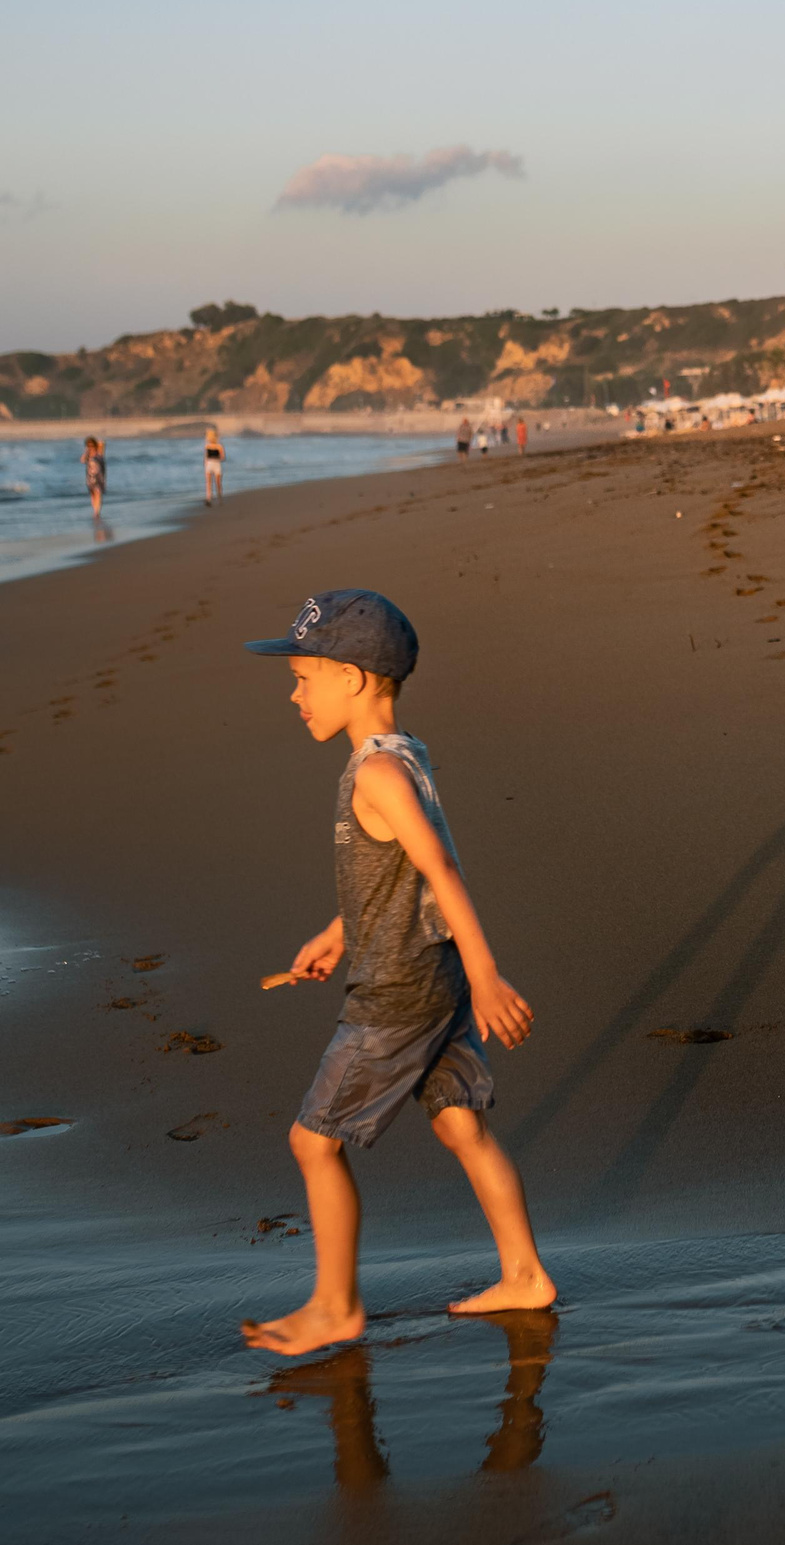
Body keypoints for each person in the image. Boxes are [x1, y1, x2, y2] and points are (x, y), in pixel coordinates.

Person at [240, 590, 554, 1353]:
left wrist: (486, 973)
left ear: (351, 678)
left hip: (400, 990)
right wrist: (339, 929)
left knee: (313, 1141)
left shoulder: (374, 775)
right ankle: (524, 1274)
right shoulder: (402, 754)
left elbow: (443, 869)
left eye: (304, 675)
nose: (294, 691)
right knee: (459, 1122)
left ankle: (335, 1304)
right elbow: (405, 873)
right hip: (429, 974)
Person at [80, 436, 106, 520]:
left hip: (99, 476)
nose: (90, 446)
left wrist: (97, 444)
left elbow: (102, 443)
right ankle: (95, 509)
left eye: (91, 445)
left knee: (98, 493)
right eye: (88, 445)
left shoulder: (99, 452)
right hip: (90, 476)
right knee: (92, 494)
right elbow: (82, 461)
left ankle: (97, 512)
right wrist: (86, 451)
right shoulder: (88, 454)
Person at [203, 425, 224, 506]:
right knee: (208, 483)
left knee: (217, 483)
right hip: (209, 464)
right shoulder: (207, 446)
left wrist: (215, 457)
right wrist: (205, 465)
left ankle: (219, 498)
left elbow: (222, 457)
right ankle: (208, 498)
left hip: (216, 464)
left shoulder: (219, 446)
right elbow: (205, 457)